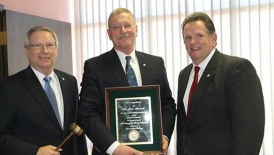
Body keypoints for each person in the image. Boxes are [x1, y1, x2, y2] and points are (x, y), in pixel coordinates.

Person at [78, 8, 176, 155]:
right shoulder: (95, 66)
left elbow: (167, 103)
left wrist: (163, 137)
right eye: (116, 27)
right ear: (109, 33)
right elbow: (87, 113)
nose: (123, 31)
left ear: (136, 29)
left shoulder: (155, 63)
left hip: (153, 151)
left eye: (127, 25)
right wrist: (114, 147)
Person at [0, 26, 87, 155]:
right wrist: (35, 151)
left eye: (50, 45)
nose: (45, 51)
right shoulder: (8, 87)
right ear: (26, 50)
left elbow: (76, 129)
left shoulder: (69, 82)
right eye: (37, 45)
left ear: (56, 50)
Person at [176, 12, 265, 155]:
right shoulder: (184, 75)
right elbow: (184, 128)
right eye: (188, 37)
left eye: (199, 35)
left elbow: (249, 131)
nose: (193, 42)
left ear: (214, 38)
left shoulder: (237, 69)